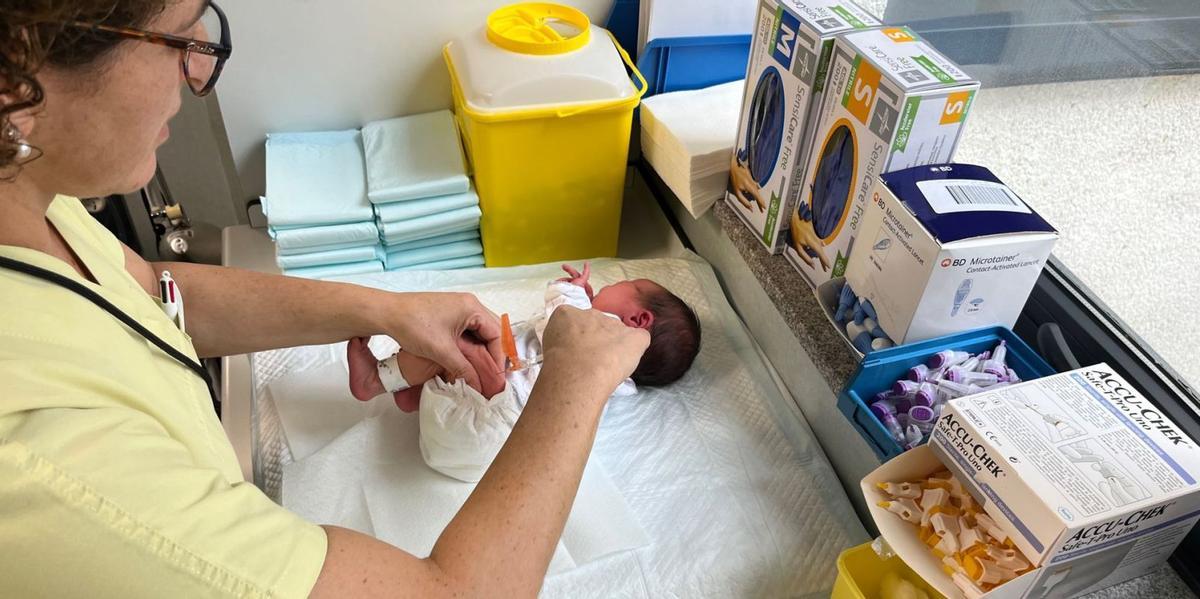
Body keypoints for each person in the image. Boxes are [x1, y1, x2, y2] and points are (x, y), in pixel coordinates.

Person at [0, 2, 650, 597]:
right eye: (176, 38)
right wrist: (577, 379)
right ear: (17, 75)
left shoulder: (30, 198)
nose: (199, 70)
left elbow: (154, 296)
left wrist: (384, 309)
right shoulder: (47, 463)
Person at [345, 262, 702, 482]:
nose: (609, 286)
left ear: (639, 320)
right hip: (489, 447)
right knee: (456, 360)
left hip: (494, 409)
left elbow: (562, 323)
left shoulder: (599, 336)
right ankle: (412, 397)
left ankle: (376, 381)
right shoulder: (617, 381)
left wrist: (570, 292)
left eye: (629, 285)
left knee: (457, 343)